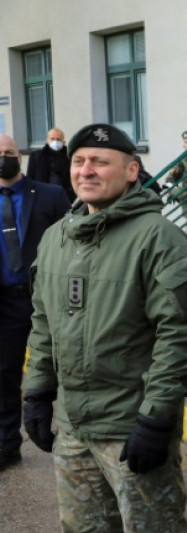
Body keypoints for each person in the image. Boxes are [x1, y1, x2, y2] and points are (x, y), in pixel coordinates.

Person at [23, 123, 187, 532]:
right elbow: (42, 323)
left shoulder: (159, 239)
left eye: (99, 162)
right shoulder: (56, 238)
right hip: (73, 430)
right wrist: (37, 390)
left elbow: (181, 335)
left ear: (131, 171)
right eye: (78, 161)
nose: (85, 170)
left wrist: (157, 418)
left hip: (131, 427)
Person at [0, 134, 69, 471]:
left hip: (47, 299)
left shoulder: (50, 195)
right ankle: (7, 442)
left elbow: (71, 244)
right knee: (4, 375)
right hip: (5, 303)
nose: (4, 158)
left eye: (9, 153)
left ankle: (73, 439)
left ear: (20, 156)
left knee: (66, 366)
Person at [26, 127, 75, 202]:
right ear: (47, 140)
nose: (55, 141)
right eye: (52, 139)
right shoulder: (37, 156)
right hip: (42, 198)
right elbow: (30, 179)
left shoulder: (70, 156)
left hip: (66, 198)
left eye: (58, 139)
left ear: (64, 142)